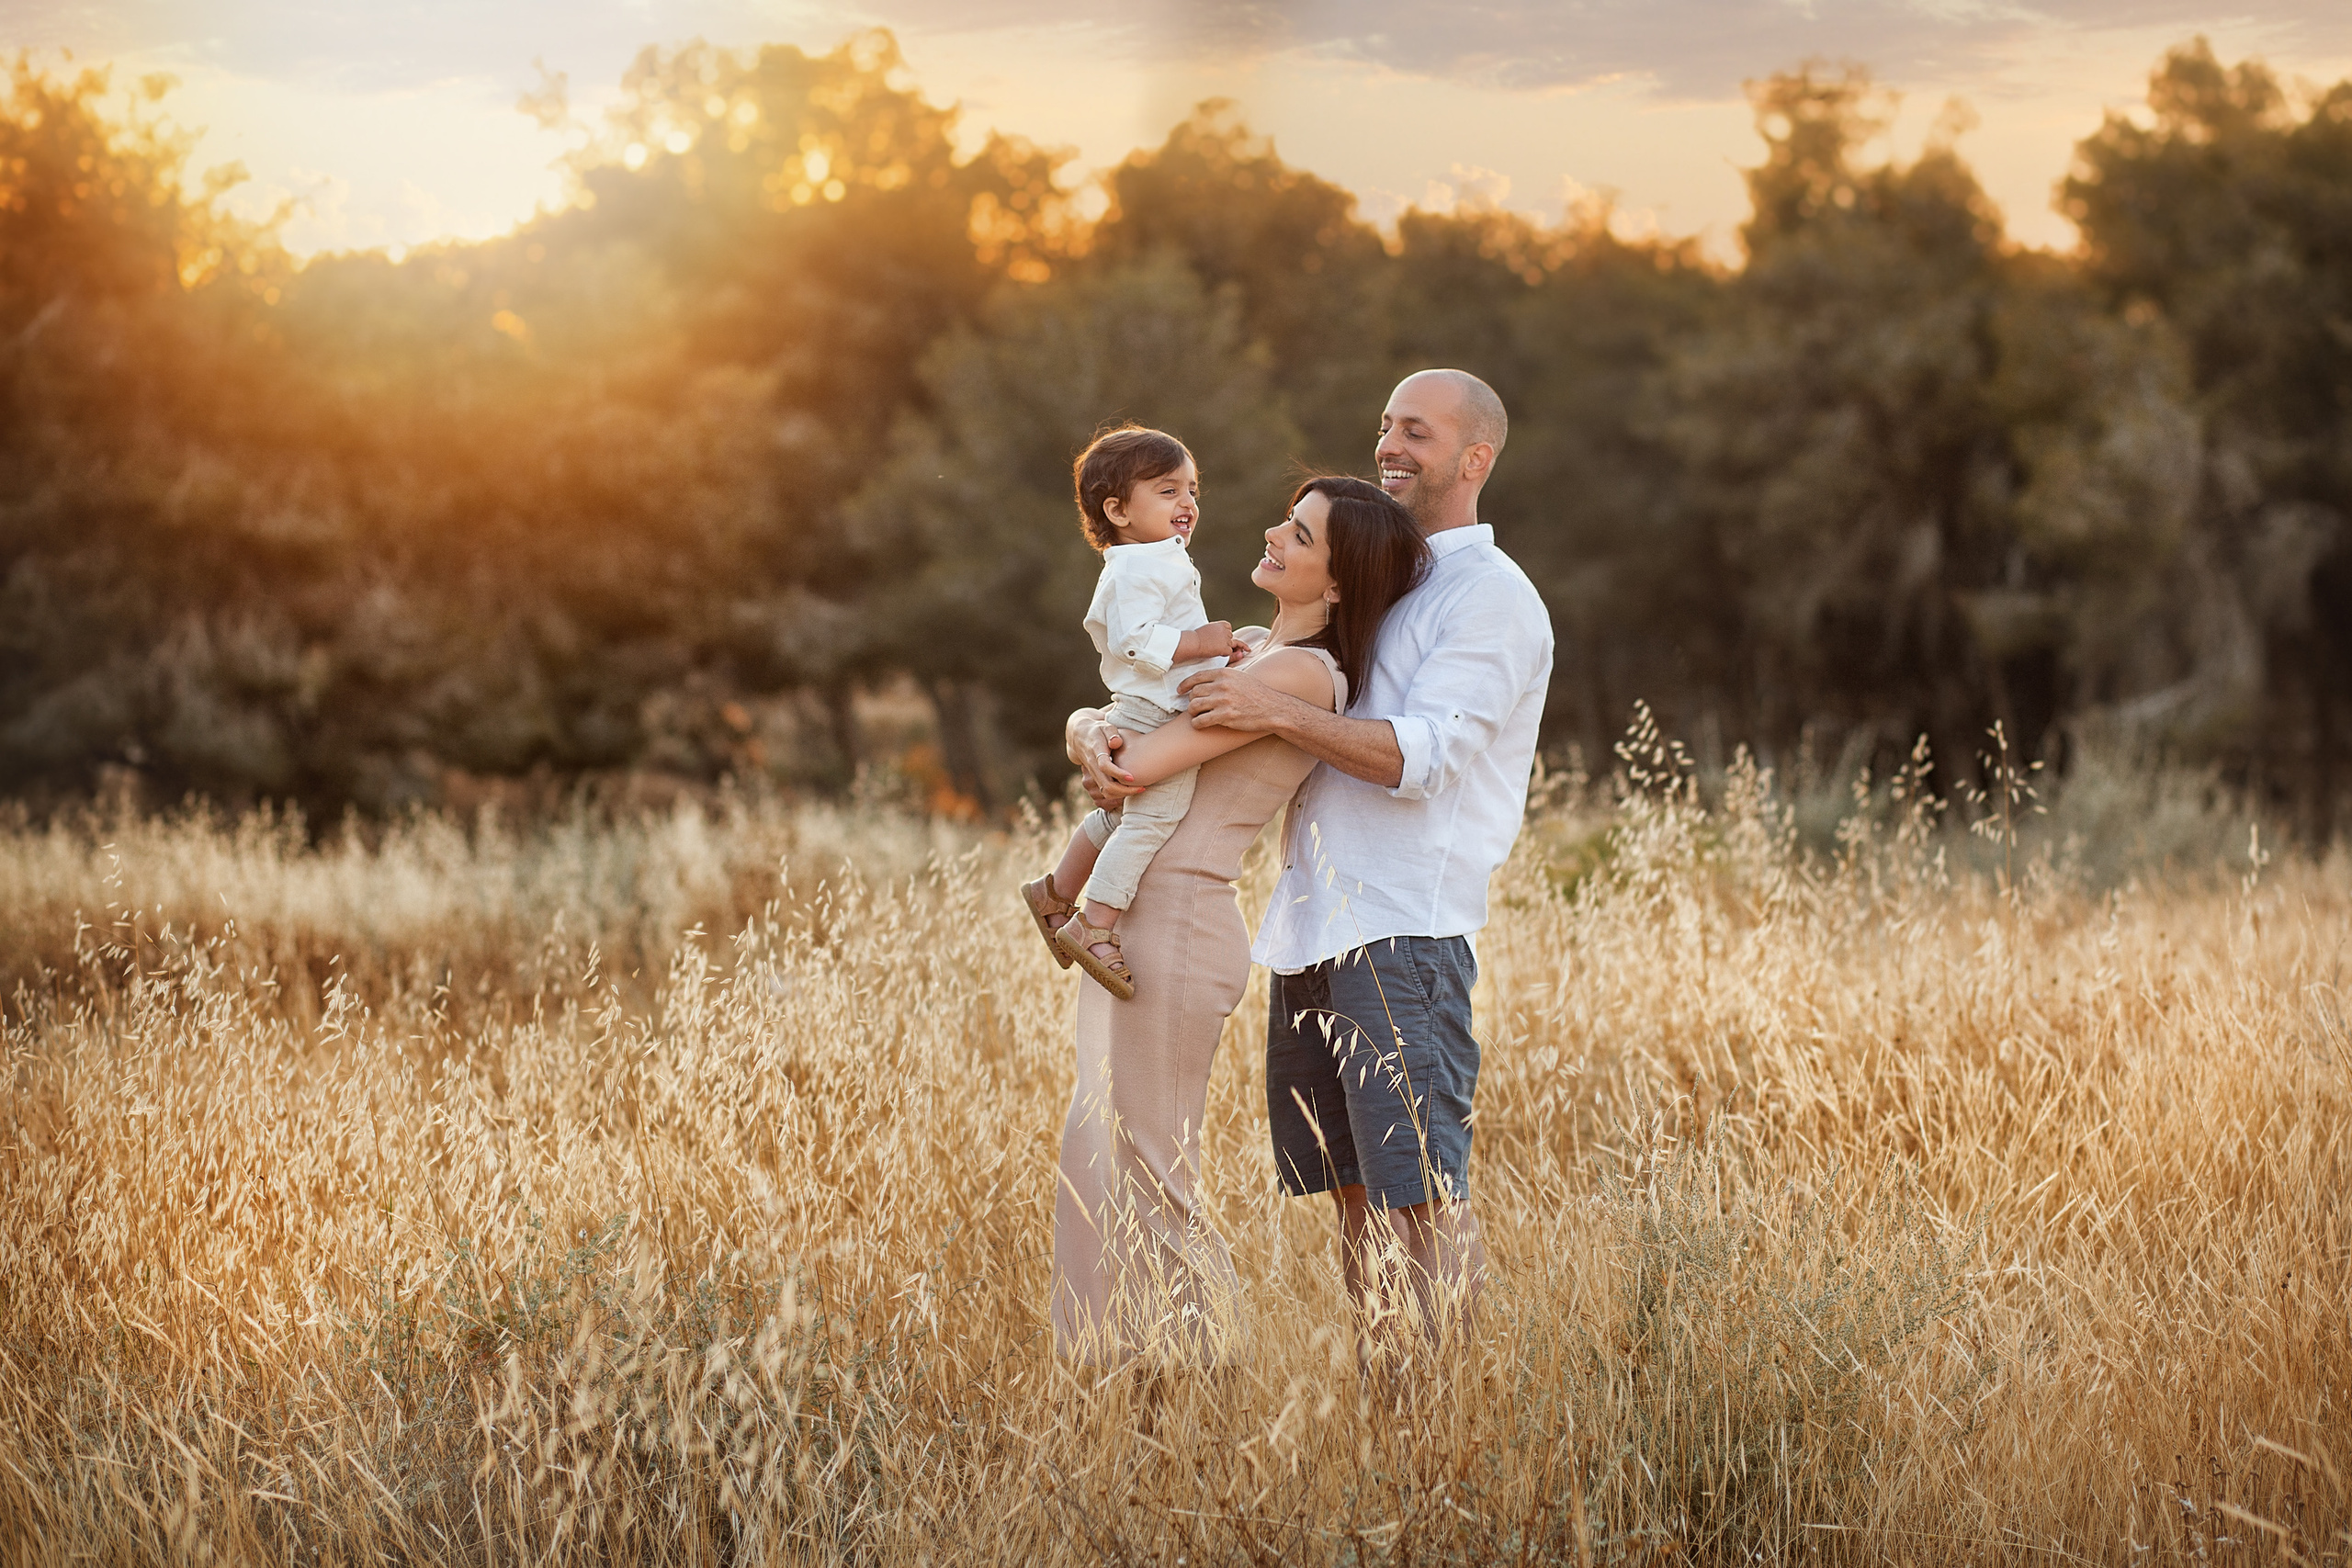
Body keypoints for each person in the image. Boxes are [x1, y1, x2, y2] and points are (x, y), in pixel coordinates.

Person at [1070, 369, 1554, 1372]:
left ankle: (1445, 1433)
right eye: (1384, 424)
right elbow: (1179, 710)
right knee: (1350, 1199)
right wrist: (1094, 727)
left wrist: (1280, 711)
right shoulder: (1385, 580)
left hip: (1401, 933)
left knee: (1415, 1192)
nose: (1390, 444)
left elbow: (1426, 757)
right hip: (1309, 931)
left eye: (1415, 432)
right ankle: (1392, 1421)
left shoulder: (1489, 598)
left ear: (1475, 458)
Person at [1046, 476, 1431, 1368]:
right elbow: (1119, 725)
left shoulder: (1303, 674)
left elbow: (1134, 763)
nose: (1271, 533)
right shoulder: (1257, 649)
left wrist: (1098, 738)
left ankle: (1194, 1374)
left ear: (1335, 586)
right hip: (1139, 912)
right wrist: (1083, 726)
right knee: (1105, 1141)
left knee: (1150, 1160)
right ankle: (1117, 1370)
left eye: (1298, 534)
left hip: (1178, 919)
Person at [1020, 425, 1245, 1001]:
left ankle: (1055, 892)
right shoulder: (1132, 569)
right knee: (1151, 820)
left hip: (1149, 703)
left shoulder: (1155, 561)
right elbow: (1135, 643)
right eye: (1168, 492)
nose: (1188, 504)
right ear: (1117, 510)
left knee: (1125, 818)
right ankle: (1094, 925)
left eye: (1192, 491)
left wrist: (1219, 649)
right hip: (1149, 710)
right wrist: (1200, 642)